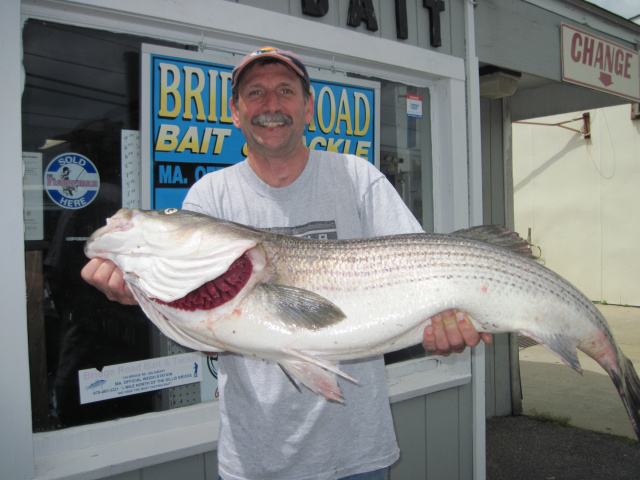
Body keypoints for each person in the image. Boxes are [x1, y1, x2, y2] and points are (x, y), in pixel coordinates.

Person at [82, 46, 492, 480]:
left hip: (358, 453)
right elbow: (209, 339)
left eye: (285, 90)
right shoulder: (210, 197)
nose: (271, 105)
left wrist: (440, 331)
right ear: (235, 112)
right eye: (255, 93)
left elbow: (422, 283)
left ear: (308, 107)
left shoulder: (358, 177)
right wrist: (147, 296)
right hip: (257, 458)